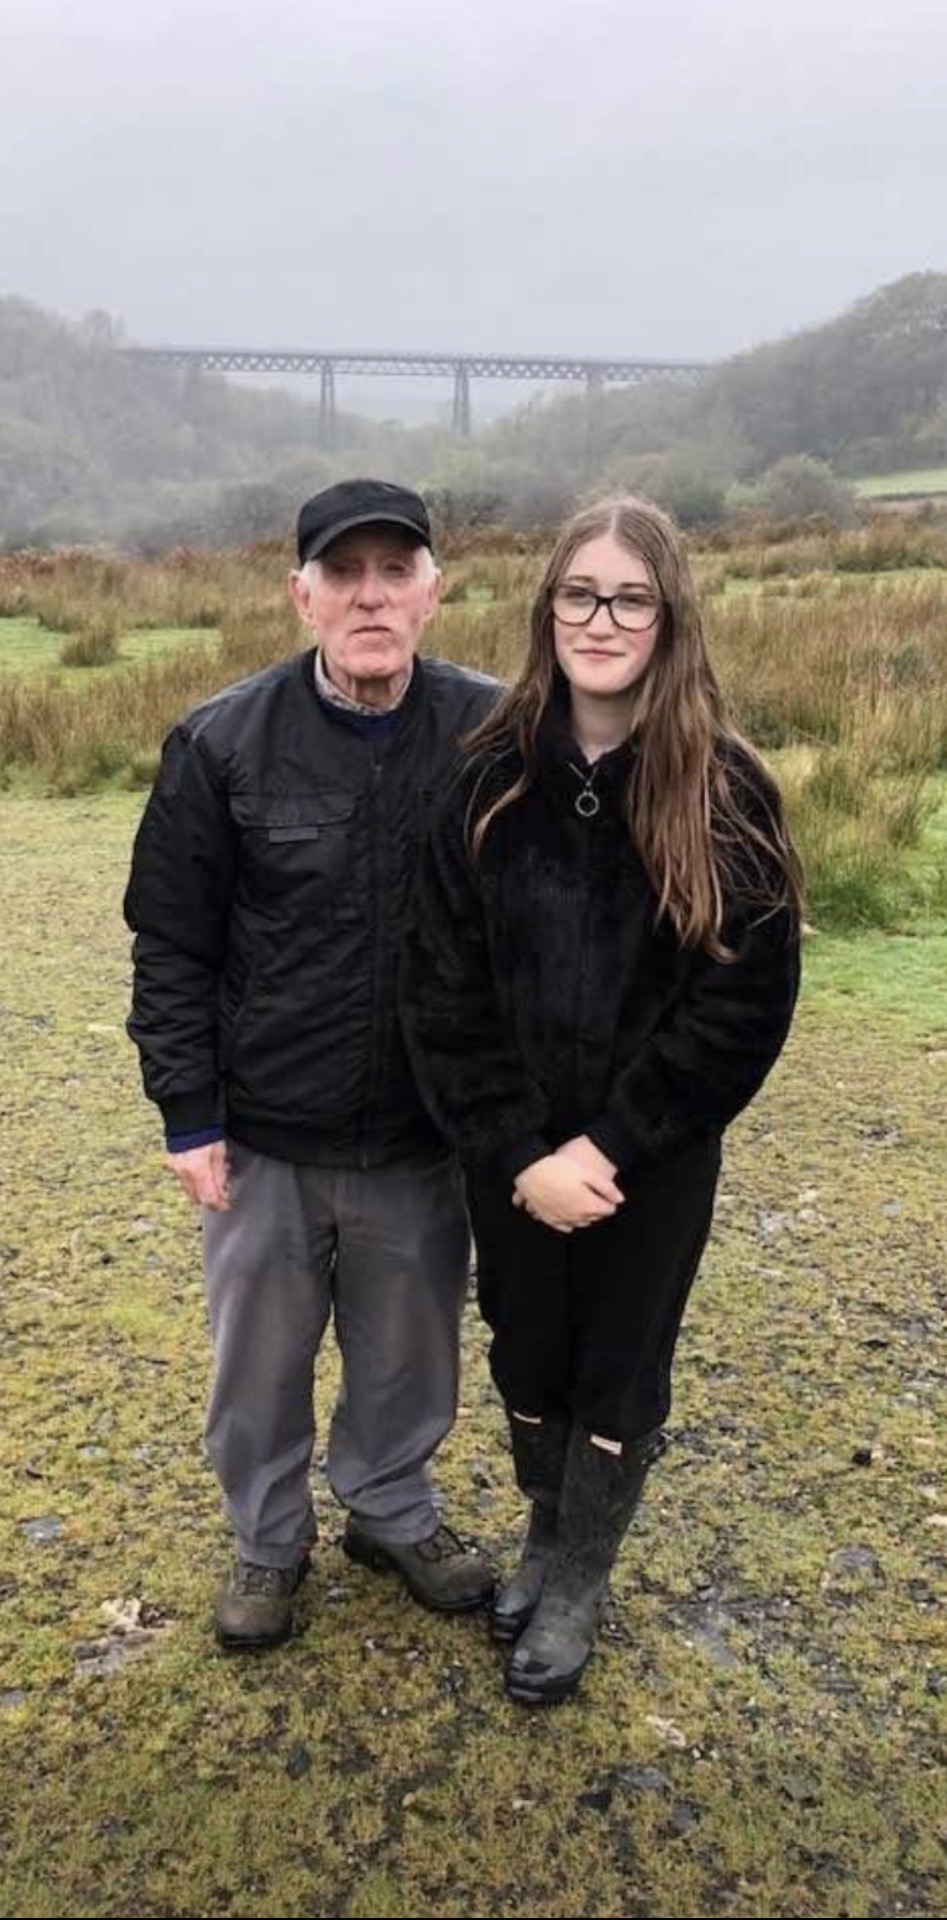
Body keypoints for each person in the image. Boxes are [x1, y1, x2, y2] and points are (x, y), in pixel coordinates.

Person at [401, 494, 803, 1705]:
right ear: (548, 609)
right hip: (510, 1158)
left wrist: (611, 1144)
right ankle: (542, 1532)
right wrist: (521, 1150)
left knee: (620, 1366)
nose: (602, 619)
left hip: (651, 1165)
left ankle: (579, 1573)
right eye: (580, 594)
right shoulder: (484, 778)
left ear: (668, 617)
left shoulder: (724, 790)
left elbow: (742, 1005)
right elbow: (439, 985)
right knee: (525, 1346)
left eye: (631, 598)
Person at [124, 478, 499, 1650]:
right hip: (263, 1138)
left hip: (425, 1133)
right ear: (301, 596)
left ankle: (390, 1511)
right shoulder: (219, 743)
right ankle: (266, 1539)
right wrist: (188, 1115)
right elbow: (172, 945)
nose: (369, 596)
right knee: (257, 1367)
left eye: (395, 571)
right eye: (344, 573)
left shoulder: (497, 733)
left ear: (434, 592)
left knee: (409, 1358)